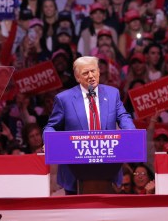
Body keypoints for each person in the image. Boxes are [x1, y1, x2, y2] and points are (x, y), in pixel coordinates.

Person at [43, 56, 135, 194]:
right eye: (86, 73)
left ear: (99, 72)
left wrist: (131, 133)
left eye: (93, 71)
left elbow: (123, 116)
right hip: (74, 171)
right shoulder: (64, 99)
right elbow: (52, 126)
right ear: (77, 77)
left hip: (107, 166)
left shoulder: (112, 94)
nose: (91, 76)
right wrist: (49, 140)